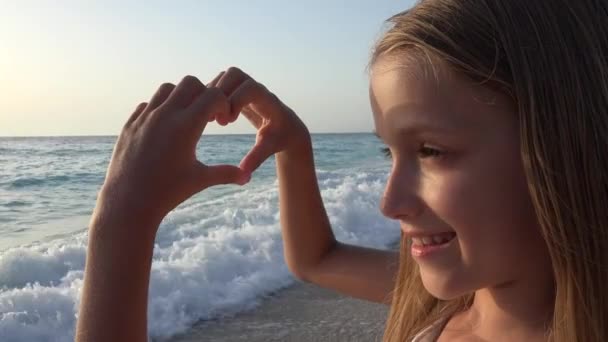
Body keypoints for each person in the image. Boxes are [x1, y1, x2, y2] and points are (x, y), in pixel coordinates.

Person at [75, 0, 608, 341]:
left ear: (565, 147)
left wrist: (120, 226)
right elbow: (316, 260)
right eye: (388, 153)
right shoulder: (446, 302)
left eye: (430, 151)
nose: (390, 202)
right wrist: (294, 147)